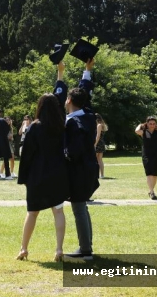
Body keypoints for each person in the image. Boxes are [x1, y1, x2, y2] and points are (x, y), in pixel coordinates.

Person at [16, 94, 69, 262]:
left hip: (37, 175)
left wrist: (23, 176)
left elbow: (27, 155)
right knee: (58, 211)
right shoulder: (62, 127)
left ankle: (24, 248)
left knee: (32, 212)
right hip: (57, 174)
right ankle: (59, 249)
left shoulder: (34, 127)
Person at [63, 59, 100, 260]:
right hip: (89, 167)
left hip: (79, 170)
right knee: (82, 207)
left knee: (78, 208)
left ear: (68, 101)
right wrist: (87, 70)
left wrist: (64, 156)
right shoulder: (88, 114)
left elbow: (73, 151)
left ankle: (85, 250)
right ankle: (87, 246)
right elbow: (83, 92)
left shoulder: (74, 123)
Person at [134, 116, 157, 199]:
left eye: (154, 124)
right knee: (149, 173)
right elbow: (136, 130)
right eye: (150, 124)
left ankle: (151, 190)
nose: (152, 125)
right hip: (146, 154)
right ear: (147, 124)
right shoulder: (144, 132)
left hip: (156, 154)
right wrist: (140, 124)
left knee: (155, 174)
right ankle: (152, 192)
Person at [94, 114, 108, 179]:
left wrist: (95, 144)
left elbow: (98, 136)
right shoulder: (102, 125)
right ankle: (101, 175)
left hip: (98, 143)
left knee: (97, 159)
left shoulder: (99, 125)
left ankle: (99, 174)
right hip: (101, 143)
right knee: (99, 160)